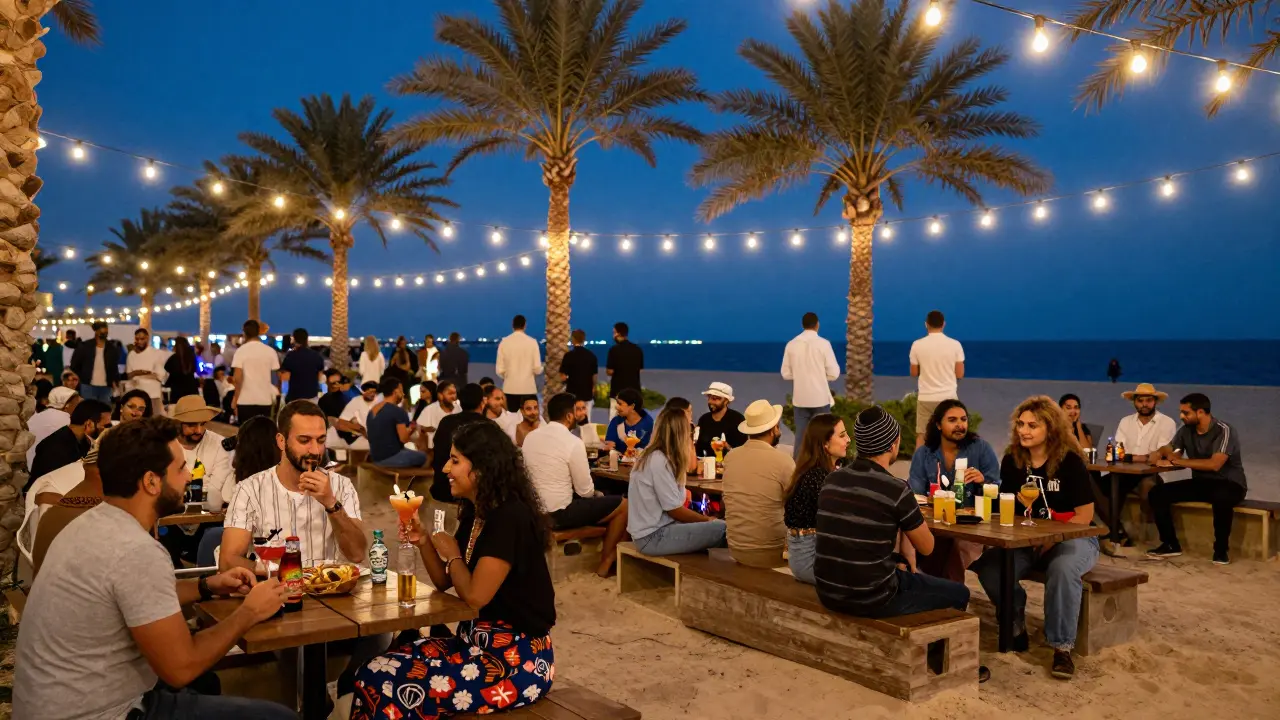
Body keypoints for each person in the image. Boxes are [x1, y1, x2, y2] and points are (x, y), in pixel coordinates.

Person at [15, 417, 295, 720]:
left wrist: (206, 585)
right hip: (102, 713)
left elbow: (137, 594)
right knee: (279, 718)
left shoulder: (92, 523)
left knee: (207, 684)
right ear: (151, 482)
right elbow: (182, 667)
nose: (189, 476)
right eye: (181, 468)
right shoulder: (135, 549)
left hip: (49, 705)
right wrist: (250, 612)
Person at [352, 421, 556, 719]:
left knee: (383, 682)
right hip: (472, 644)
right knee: (374, 668)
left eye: (455, 460)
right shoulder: (478, 511)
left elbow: (475, 596)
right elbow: (444, 580)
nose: (445, 468)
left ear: (482, 468)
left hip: (516, 660)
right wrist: (424, 541)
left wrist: (453, 554)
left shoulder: (509, 518)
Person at [971, 396, 1098, 680]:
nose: (1023, 431)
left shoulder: (1069, 462)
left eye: (1032, 425)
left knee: (1063, 569)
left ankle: (1061, 647)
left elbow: (1085, 515)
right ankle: (1015, 623)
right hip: (1028, 539)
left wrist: (1051, 537)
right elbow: (1010, 507)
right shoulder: (1013, 461)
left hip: (1074, 536)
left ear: (1050, 429)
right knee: (989, 567)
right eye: (1020, 424)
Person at [815, 406, 969, 615]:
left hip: (828, 592)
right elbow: (927, 548)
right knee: (960, 593)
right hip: (873, 597)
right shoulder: (896, 489)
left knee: (903, 571)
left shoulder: (832, 480)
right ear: (893, 444)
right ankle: (933, 638)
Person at [524, 393, 628, 577]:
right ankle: (605, 564)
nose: (580, 414)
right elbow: (585, 491)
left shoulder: (530, 438)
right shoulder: (573, 442)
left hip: (533, 510)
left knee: (602, 498)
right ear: (569, 416)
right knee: (624, 505)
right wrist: (597, 494)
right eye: (577, 411)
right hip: (558, 514)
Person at [1145, 393, 1247, 565]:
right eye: (1181, 412)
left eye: (1186, 413)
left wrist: (1178, 461)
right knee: (1157, 493)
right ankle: (1170, 544)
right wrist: (1160, 453)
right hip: (1202, 483)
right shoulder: (1186, 429)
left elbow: (1215, 464)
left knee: (1221, 497)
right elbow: (1172, 449)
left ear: (1200, 412)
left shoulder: (1224, 430)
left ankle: (1221, 550)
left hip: (1230, 483)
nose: (1181, 416)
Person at [627, 407, 726, 556]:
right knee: (724, 530)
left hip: (652, 533)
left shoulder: (653, 456)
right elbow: (674, 510)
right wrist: (708, 520)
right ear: (680, 433)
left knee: (720, 528)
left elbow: (691, 467)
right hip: (654, 537)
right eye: (689, 429)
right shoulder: (659, 461)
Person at [1097, 383, 1178, 544]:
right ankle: (1116, 529)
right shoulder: (1125, 422)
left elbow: (1157, 457)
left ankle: (1148, 537)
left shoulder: (1166, 423)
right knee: (1095, 486)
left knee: (1148, 488)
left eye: (1148, 400)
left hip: (1152, 473)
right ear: (1134, 402)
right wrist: (1139, 457)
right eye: (1140, 401)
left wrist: (1131, 457)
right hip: (1125, 473)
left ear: (1155, 402)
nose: (1144, 404)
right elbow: (1119, 453)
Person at [158, 396, 236, 566]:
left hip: (208, 518)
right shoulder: (166, 445)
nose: (199, 430)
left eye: (202, 424)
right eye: (192, 425)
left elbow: (216, 491)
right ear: (178, 423)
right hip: (171, 514)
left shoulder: (220, 444)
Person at [722, 399, 796, 568]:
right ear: (773, 430)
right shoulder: (783, 460)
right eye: (778, 427)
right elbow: (796, 503)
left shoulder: (731, 457)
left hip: (736, 549)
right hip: (771, 552)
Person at [783, 414, 849, 583]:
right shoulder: (817, 478)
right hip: (810, 561)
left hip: (815, 554)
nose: (848, 440)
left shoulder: (820, 472)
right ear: (825, 443)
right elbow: (842, 520)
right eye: (842, 435)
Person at [907, 399, 1002, 496]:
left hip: (974, 506)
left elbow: (996, 491)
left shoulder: (982, 449)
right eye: (952, 420)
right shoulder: (923, 454)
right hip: (933, 506)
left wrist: (983, 482)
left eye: (963, 419)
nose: (960, 425)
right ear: (939, 425)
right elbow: (915, 495)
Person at [781, 312, 840, 452]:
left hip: (800, 400)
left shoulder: (791, 345)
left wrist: (801, 375)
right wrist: (819, 376)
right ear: (817, 325)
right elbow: (834, 373)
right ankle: (821, 465)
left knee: (801, 438)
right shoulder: (824, 344)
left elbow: (785, 373)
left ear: (802, 325)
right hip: (820, 399)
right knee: (823, 439)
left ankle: (798, 465)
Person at [909, 310, 965, 451]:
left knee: (922, 436)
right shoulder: (955, 345)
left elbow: (914, 372)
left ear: (926, 324)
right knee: (952, 435)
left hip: (926, 397)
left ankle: (919, 464)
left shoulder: (917, 345)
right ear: (943, 324)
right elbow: (960, 374)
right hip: (949, 398)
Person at [28, 399, 111, 488]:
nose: (108, 430)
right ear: (89, 424)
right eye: (106, 426)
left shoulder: (82, 440)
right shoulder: (56, 447)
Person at [429, 384, 489, 499]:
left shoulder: (446, 422)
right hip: (471, 493)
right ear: (482, 402)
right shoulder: (487, 426)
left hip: (441, 488)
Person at [366, 377, 426, 468]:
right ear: (395, 392)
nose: (403, 394)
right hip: (391, 457)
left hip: (375, 456)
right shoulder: (397, 411)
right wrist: (411, 429)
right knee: (424, 456)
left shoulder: (372, 410)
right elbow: (404, 439)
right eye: (401, 391)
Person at [231, 320, 280, 424]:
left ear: (244, 333)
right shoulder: (270, 351)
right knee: (262, 431)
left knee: (246, 431)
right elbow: (276, 379)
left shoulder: (240, 351)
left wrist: (235, 398)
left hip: (245, 400)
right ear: (258, 332)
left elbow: (237, 378)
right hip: (265, 401)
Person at [496, 314, 543, 410]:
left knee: (511, 417)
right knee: (529, 417)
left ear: (512, 325)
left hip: (509, 389)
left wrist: (508, 377)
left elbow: (499, 370)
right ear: (525, 325)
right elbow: (537, 369)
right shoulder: (532, 342)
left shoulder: (504, 342)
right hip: (528, 389)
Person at [68, 320, 121, 405]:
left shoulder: (112, 348)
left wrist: (115, 383)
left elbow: (114, 368)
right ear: (96, 331)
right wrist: (83, 377)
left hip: (106, 387)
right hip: (88, 386)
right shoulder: (85, 346)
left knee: (104, 410)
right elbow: (74, 365)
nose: (104, 334)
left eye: (106, 332)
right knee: (89, 410)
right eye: (102, 331)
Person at [26, 386, 79, 470]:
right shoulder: (67, 420)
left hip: (30, 467)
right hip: (51, 470)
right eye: (77, 404)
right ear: (67, 405)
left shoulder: (35, 417)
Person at [694, 382, 747, 458]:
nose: (710, 402)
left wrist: (728, 448)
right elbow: (699, 450)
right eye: (709, 397)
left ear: (726, 401)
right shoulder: (704, 420)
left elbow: (743, 452)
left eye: (715, 399)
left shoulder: (738, 420)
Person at [605, 321, 643, 417]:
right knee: (633, 419)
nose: (613, 335)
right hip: (634, 392)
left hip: (617, 391)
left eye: (614, 333)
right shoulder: (637, 350)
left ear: (618, 333)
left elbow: (609, 371)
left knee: (614, 419)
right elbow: (640, 370)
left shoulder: (614, 350)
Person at [280, 327, 326, 403]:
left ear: (294, 339)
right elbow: (320, 378)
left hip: (294, 397)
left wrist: (283, 395)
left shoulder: (291, 356)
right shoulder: (316, 356)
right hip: (312, 397)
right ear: (306, 339)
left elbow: (285, 378)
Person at [125, 327, 166, 412]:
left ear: (147, 338)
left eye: (142, 339)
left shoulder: (156, 353)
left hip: (153, 395)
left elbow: (160, 376)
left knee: (154, 418)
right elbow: (128, 375)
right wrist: (139, 373)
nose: (139, 341)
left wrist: (139, 374)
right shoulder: (131, 355)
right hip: (137, 396)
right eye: (137, 339)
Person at [413, 379, 460, 451]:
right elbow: (417, 424)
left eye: (423, 391)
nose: (420, 394)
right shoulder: (424, 407)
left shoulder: (455, 408)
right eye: (420, 392)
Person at [559, 328, 599, 412]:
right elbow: (594, 376)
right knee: (586, 417)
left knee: (573, 416)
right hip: (587, 394)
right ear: (584, 339)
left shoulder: (568, 356)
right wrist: (593, 388)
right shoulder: (592, 356)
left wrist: (567, 381)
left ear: (573, 339)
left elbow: (562, 377)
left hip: (572, 393)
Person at [603, 387, 653, 452]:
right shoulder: (616, 421)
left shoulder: (648, 424)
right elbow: (610, 444)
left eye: (620, 404)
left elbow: (649, 449)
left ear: (632, 406)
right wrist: (609, 447)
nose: (616, 407)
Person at [164, 336, 200, 404]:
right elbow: (195, 369)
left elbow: (166, 367)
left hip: (177, 388)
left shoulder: (174, 358)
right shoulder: (191, 357)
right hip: (191, 387)